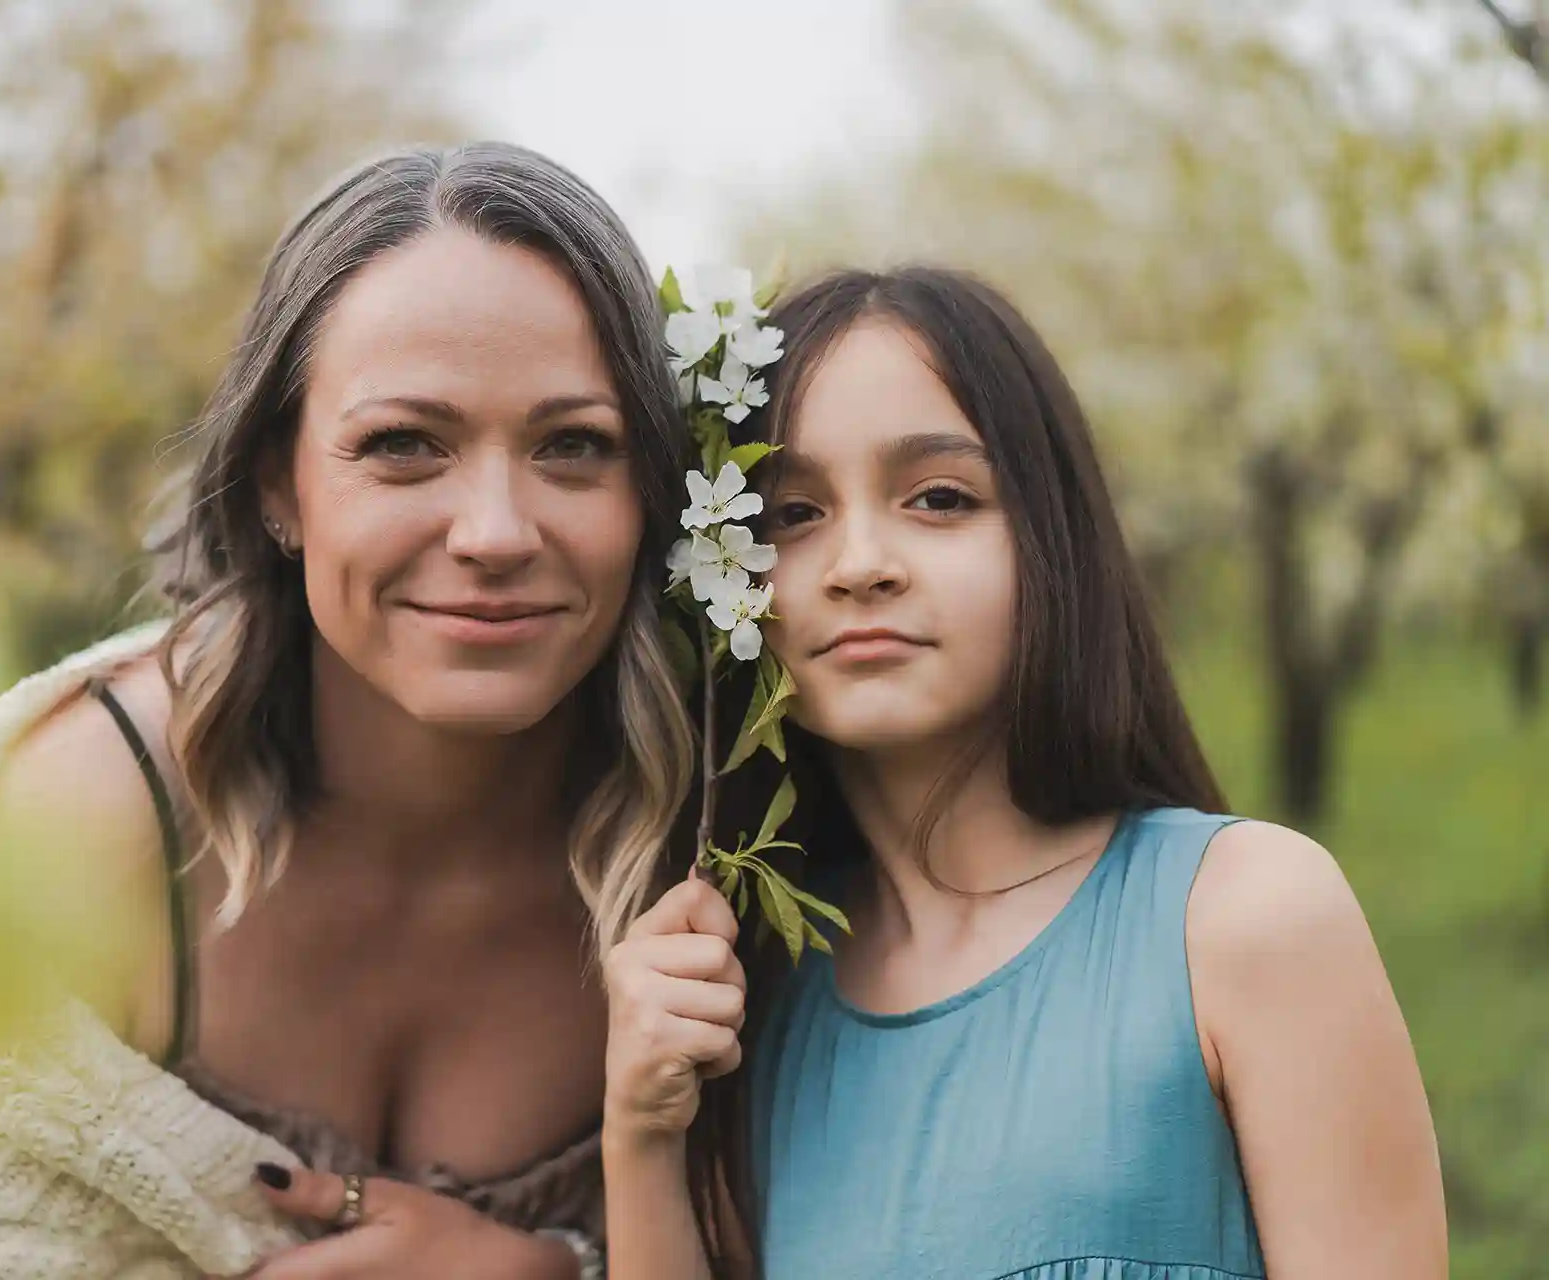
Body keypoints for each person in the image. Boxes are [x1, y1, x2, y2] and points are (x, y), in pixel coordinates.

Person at [0, 141, 694, 1280]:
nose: (497, 532)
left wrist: (545, 1270)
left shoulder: (717, 834)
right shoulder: (72, 821)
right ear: (276, 483)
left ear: (652, 490)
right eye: (405, 445)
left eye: (574, 446)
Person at [601, 266, 1449, 1278]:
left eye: (940, 497)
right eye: (791, 514)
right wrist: (643, 1135)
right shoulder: (757, 1001)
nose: (860, 561)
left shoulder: (1246, 918)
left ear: (1051, 536)